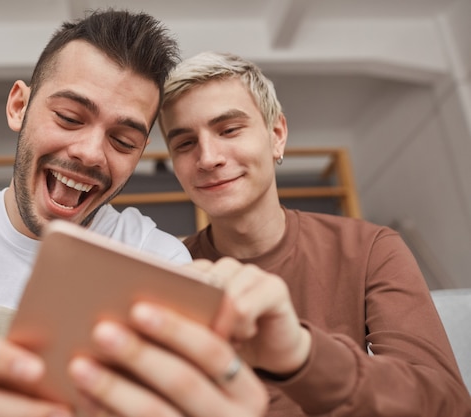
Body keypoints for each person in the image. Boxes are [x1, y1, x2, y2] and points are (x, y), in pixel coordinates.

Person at [0, 11, 268, 417]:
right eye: (69, 118)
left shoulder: (158, 261)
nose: (89, 152)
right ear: (18, 107)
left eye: (122, 141)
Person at [157, 51, 471, 416]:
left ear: (276, 135)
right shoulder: (171, 269)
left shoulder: (370, 249)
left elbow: (448, 405)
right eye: (184, 143)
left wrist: (302, 353)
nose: (208, 157)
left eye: (229, 130)